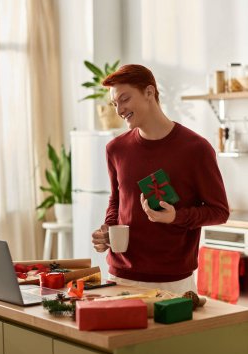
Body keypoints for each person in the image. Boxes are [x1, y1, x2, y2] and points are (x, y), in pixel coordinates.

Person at [92, 64, 229, 294]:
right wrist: (108, 229)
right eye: (115, 103)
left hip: (173, 281)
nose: (119, 110)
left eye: (124, 99)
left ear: (149, 92)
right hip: (120, 277)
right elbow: (117, 201)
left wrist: (177, 216)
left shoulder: (196, 149)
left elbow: (219, 212)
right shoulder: (116, 149)